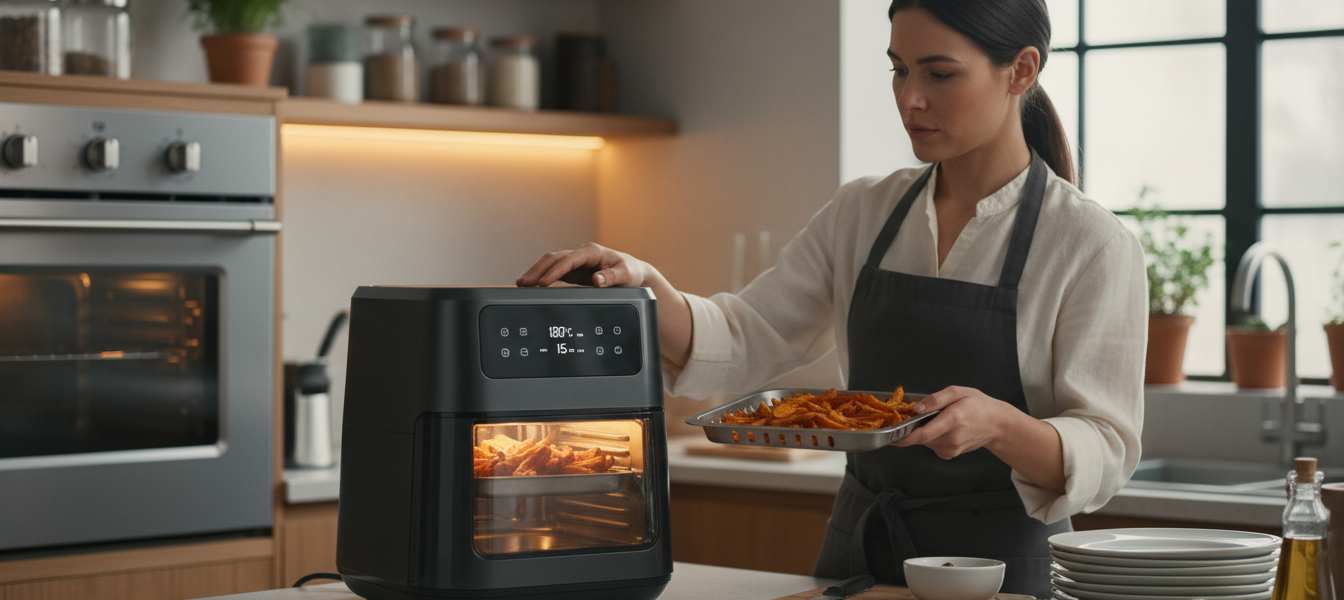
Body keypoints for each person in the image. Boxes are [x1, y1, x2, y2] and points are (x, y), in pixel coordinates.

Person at [517, 0, 1145, 596]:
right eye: (899, 70)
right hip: (860, 555)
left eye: (940, 73)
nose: (910, 99)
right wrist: (644, 286)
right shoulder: (864, 211)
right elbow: (744, 334)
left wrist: (1001, 425)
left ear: (1022, 70)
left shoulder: (1089, 241)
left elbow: (1106, 447)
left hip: (1000, 571)